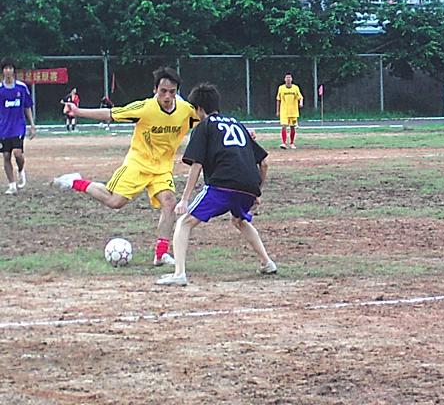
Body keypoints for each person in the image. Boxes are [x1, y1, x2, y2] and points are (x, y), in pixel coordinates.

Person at [54, 67, 198, 266]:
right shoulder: (144, 108)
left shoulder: (186, 111)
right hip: (137, 164)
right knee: (114, 202)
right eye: (163, 91)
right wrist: (78, 111)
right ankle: (76, 182)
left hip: (162, 169)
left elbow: (208, 119)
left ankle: (161, 254)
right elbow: (110, 113)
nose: (167, 96)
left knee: (169, 202)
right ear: (155, 90)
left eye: (172, 92)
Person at [157, 83, 276, 286]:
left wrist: (184, 199)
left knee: (184, 222)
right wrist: (257, 192)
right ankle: (267, 263)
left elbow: (197, 164)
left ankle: (179, 274)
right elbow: (263, 163)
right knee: (239, 220)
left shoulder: (204, 126)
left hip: (222, 185)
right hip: (248, 186)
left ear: (199, 109)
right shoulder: (238, 125)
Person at [0, 58, 36, 195]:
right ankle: (12, 185)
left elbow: (27, 107)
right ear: (3, 71)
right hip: (4, 128)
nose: (8, 71)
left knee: (17, 153)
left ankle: (21, 170)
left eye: (10, 68)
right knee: (6, 155)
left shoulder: (21, 87)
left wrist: (32, 125)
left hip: (18, 126)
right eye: (6, 68)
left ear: (14, 70)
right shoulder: (0, 89)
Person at [276, 73, 303, 149]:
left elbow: (300, 97)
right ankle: (284, 143)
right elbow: (278, 99)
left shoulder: (295, 88)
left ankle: (292, 143)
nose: (288, 79)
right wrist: (278, 111)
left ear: (291, 79)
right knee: (284, 126)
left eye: (289, 77)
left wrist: (301, 103)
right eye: (287, 77)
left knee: (292, 127)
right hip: (284, 111)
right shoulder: (281, 88)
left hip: (293, 111)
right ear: (285, 79)